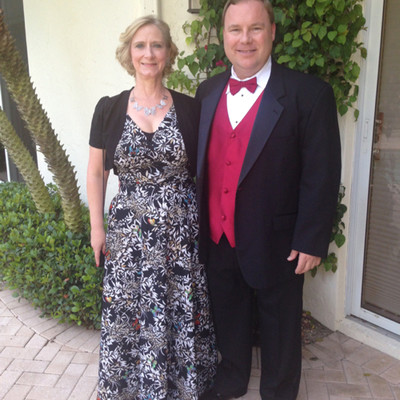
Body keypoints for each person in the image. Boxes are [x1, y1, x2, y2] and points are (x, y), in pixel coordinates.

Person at [195, 0, 341, 399]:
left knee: (280, 324)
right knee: (228, 314)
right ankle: (232, 378)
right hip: (218, 234)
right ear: (223, 36)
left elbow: (322, 174)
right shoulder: (206, 92)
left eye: (255, 28)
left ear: (272, 32)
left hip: (278, 240)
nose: (245, 39)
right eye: (235, 29)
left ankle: (278, 390)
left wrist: (311, 239)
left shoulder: (309, 94)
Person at [87, 15, 217, 400]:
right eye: (140, 45)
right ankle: (129, 387)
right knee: (128, 309)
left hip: (179, 235)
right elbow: (96, 172)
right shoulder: (108, 109)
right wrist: (97, 228)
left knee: (177, 307)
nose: (149, 53)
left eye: (157, 45)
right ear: (129, 53)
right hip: (128, 236)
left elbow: (207, 171)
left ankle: (179, 387)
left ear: (168, 53)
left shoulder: (191, 109)